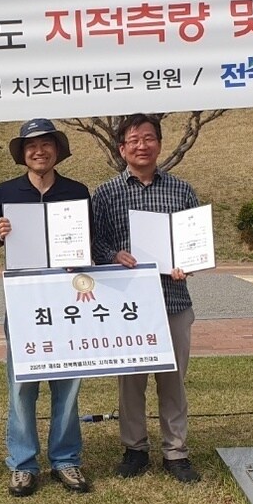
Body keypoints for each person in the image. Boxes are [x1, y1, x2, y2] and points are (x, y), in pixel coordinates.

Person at [0, 118, 93, 498]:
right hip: (24, 298)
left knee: (69, 382)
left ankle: (66, 459)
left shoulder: (76, 191)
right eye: (31, 146)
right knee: (22, 384)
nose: (39, 151)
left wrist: (81, 257)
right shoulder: (5, 191)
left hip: (66, 300)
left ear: (57, 150)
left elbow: (89, 239)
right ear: (22, 154)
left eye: (46, 144)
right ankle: (23, 463)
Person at [91, 113, 201, 484]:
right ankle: (134, 449)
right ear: (122, 148)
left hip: (173, 299)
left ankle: (176, 452)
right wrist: (113, 255)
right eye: (134, 140)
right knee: (131, 381)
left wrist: (188, 262)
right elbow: (94, 242)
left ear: (159, 144)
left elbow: (194, 241)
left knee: (173, 380)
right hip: (128, 304)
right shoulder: (106, 193)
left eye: (149, 138)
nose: (142, 145)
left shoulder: (181, 191)